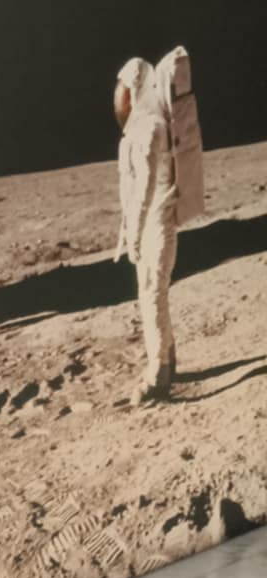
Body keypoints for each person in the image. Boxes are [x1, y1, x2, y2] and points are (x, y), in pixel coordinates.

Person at [113, 51, 200, 403]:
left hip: (155, 227)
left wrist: (133, 235)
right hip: (151, 226)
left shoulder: (149, 129)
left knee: (152, 296)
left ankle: (158, 375)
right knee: (152, 295)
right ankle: (167, 360)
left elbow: (145, 189)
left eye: (124, 91)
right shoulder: (147, 127)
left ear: (136, 90)